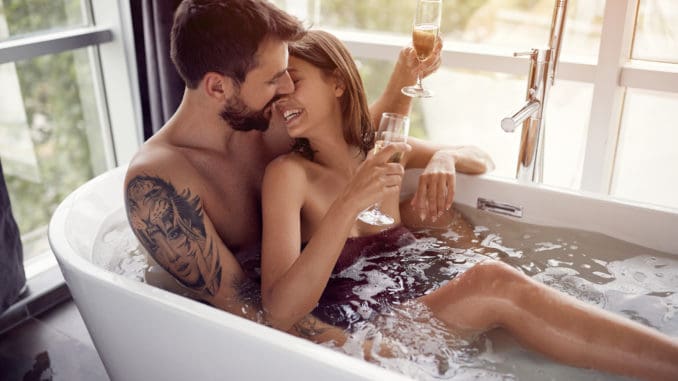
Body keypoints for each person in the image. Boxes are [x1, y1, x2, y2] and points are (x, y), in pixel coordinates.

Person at [259, 30, 678, 381]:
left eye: (293, 80)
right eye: (276, 88)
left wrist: (445, 158)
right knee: (492, 280)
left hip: (416, 305)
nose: (282, 97)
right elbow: (277, 310)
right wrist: (348, 203)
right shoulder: (289, 175)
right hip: (360, 336)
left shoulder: (379, 152)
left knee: (466, 237)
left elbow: (479, 157)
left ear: (337, 82)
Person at [123, 0, 477, 345]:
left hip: (330, 289)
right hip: (251, 341)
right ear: (218, 87)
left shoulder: (263, 117)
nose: (287, 89)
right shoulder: (158, 185)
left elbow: (350, 139)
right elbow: (251, 313)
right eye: (275, 79)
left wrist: (404, 79)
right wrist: (379, 356)